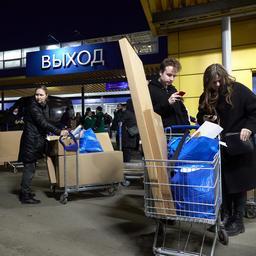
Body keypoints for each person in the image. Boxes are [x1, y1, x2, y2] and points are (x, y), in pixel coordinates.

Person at [196, 63, 256, 236]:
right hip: (219, 148)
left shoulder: (238, 90)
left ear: (224, 77)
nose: (217, 85)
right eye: (213, 83)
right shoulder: (206, 96)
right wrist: (204, 118)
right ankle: (226, 217)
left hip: (239, 145)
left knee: (239, 185)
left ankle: (238, 221)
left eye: (219, 81)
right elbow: (200, 117)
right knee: (224, 185)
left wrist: (249, 127)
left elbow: (254, 111)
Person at [18, 85, 69, 204]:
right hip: (31, 142)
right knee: (29, 169)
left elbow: (47, 121)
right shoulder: (33, 107)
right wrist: (59, 131)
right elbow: (42, 122)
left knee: (31, 168)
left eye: (41, 95)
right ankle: (25, 196)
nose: (38, 97)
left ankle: (25, 191)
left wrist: (60, 127)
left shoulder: (43, 106)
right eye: (37, 94)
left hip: (35, 140)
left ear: (46, 96)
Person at [148, 57, 190, 130]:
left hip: (181, 133)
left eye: (174, 76)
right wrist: (168, 103)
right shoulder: (150, 89)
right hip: (165, 134)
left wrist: (187, 127)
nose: (172, 79)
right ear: (161, 72)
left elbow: (182, 110)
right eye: (169, 75)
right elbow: (150, 113)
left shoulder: (173, 89)